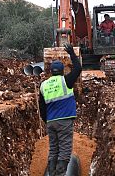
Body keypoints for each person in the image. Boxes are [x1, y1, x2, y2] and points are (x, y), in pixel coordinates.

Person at [39, 43, 82, 176]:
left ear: (51, 71)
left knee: (53, 150)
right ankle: (61, 174)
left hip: (51, 122)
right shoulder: (66, 81)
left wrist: (47, 121)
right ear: (63, 70)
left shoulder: (43, 85)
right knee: (64, 150)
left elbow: (42, 107)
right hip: (64, 121)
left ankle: (51, 173)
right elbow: (78, 68)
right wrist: (72, 54)